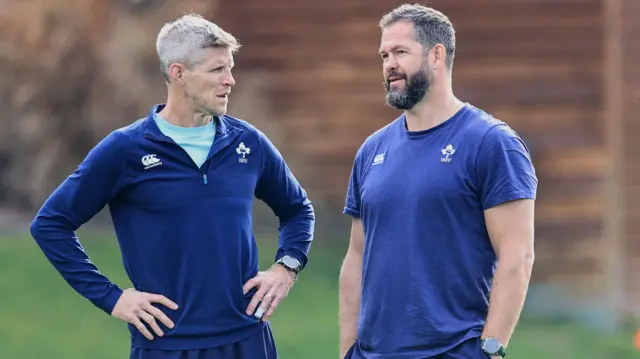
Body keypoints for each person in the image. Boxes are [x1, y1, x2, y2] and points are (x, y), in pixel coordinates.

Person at [30, 13, 315, 359]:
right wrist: (112, 297)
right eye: (216, 70)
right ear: (178, 73)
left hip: (248, 340)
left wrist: (286, 267)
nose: (230, 80)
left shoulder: (248, 143)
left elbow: (298, 209)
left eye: (230, 68)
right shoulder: (125, 150)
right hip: (166, 346)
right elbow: (51, 224)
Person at [339, 4, 537, 359]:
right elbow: (356, 257)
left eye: (401, 52)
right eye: (384, 55)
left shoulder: (491, 143)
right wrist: (347, 350)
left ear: (436, 55)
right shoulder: (372, 150)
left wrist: (490, 349)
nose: (389, 64)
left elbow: (517, 257)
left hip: (453, 351)